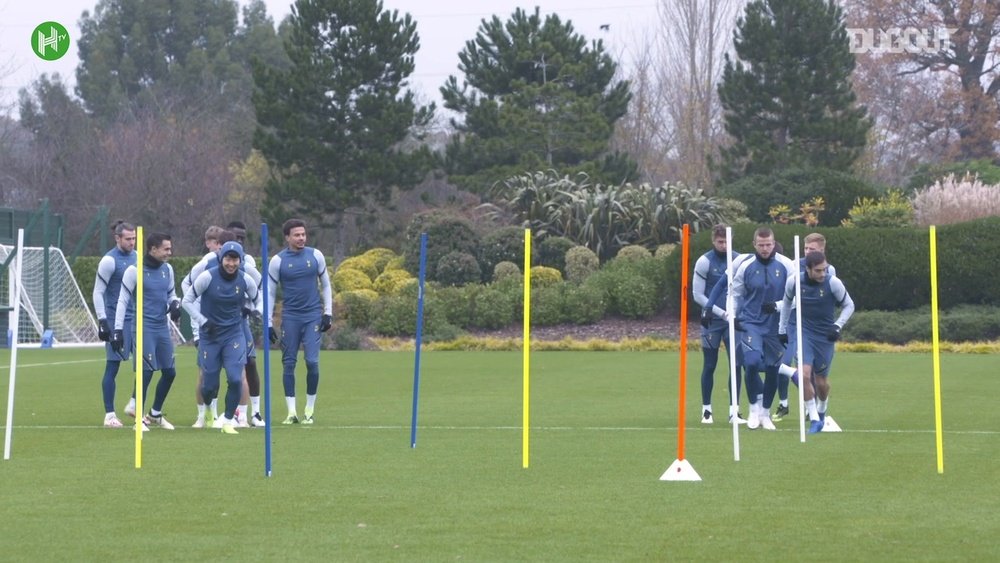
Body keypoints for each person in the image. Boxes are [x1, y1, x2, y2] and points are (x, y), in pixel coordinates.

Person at [182, 241, 260, 434]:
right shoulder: (207, 277)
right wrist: (202, 321)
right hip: (210, 336)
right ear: (221, 258)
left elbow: (260, 298)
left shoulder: (245, 279)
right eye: (227, 259)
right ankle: (208, 410)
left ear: (240, 260)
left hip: (234, 335)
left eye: (235, 259)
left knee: (235, 379)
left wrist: (254, 311)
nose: (231, 263)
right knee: (209, 385)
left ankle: (226, 420)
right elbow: (187, 301)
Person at [266, 219, 333, 425]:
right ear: (287, 237)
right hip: (290, 317)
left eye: (303, 234)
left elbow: (326, 285)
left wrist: (328, 312)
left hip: (312, 315)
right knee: (289, 364)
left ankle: (309, 410)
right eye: (297, 235)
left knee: (312, 362)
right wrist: (268, 322)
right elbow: (269, 292)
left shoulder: (316, 256)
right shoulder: (277, 261)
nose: (301, 238)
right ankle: (291, 412)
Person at [112, 232, 181, 430]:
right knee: (147, 371)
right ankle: (138, 418)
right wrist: (117, 330)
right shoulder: (134, 271)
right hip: (143, 327)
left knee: (170, 371)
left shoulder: (168, 269)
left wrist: (175, 304)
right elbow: (123, 300)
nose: (170, 252)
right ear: (153, 249)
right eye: (166, 249)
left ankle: (155, 413)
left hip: (161, 327)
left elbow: (171, 294)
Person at [779, 251, 854, 433]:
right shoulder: (794, 282)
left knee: (821, 383)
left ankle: (821, 410)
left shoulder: (833, 283)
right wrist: (781, 329)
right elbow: (787, 304)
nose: (823, 274)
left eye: (825, 270)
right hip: (804, 332)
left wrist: (837, 326)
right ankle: (813, 419)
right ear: (808, 269)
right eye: (818, 271)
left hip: (825, 335)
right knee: (804, 375)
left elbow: (849, 305)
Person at [730, 227, 796, 430]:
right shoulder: (745, 266)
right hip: (751, 323)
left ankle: (766, 413)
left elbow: (797, 299)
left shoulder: (786, 265)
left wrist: (777, 305)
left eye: (769, 244)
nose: (765, 248)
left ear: (774, 244)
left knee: (773, 369)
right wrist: (732, 316)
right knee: (750, 362)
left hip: (776, 326)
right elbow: (734, 294)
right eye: (761, 245)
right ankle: (753, 409)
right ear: (754, 245)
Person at [774, 233, 838, 421]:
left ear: (822, 250)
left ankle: (817, 405)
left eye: (813, 249)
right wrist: (781, 319)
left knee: (818, 375)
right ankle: (797, 405)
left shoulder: (829, 271)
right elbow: (790, 298)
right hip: (796, 324)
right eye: (806, 249)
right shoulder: (794, 266)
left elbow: (820, 299)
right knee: (799, 367)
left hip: (818, 327)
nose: (809, 252)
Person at [693, 225, 745, 424]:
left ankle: (734, 411)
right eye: (720, 242)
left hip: (734, 322)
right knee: (709, 365)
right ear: (713, 241)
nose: (724, 246)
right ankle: (707, 410)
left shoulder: (739, 260)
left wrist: (736, 312)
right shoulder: (705, 261)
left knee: (736, 364)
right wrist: (721, 313)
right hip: (713, 321)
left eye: (727, 242)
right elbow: (698, 294)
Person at [93, 221, 137, 428]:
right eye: (128, 238)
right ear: (118, 238)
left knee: (147, 364)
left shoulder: (138, 258)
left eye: (134, 238)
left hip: (136, 319)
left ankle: (135, 405)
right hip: (114, 319)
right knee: (113, 366)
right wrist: (103, 321)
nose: (132, 242)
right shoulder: (109, 261)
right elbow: (98, 291)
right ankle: (109, 415)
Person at [227, 221, 266, 427]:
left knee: (250, 363)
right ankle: (222, 413)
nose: (240, 241)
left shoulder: (248, 264)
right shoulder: (214, 261)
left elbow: (260, 290)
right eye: (236, 237)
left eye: (242, 238)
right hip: (221, 325)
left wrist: (254, 309)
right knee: (227, 368)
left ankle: (255, 413)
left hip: (242, 323)